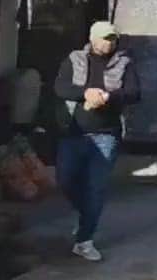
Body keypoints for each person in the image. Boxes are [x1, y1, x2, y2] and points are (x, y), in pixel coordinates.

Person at [53, 21, 140, 262]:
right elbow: (60, 87)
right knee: (65, 180)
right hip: (74, 132)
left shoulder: (124, 62)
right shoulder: (75, 59)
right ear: (92, 38)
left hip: (106, 135)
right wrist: (85, 94)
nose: (108, 43)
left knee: (96, 188)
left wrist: (109, 96)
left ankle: (84, 240)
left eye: (112, 38)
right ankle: (85, 216)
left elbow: (134, 92)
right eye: (104, 38)